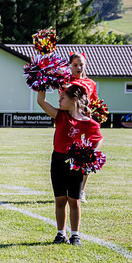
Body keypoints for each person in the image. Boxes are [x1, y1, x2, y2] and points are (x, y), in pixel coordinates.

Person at [35, 83, 102, 246]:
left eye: (62, 98)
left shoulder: (89, 122)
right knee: (60, 199)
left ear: (74, 100)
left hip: (76, 164)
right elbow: (41, 101)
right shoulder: (60, 116)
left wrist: (91, 153)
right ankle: (60, 233)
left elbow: (98, 138)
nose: (59, 101)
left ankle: (75, 235)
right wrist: (41, 82)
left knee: (74, 200)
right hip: (58, 160)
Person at [68, 52, 99, 203]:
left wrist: (93, 112)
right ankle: (69, 189)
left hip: (86, 123)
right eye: (75, 65)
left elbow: (95, 103)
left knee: (87, 156)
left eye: (81, 64)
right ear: (70, 66)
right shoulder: (65, 81)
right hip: (71, 123)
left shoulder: (91, 83)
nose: (79, 67)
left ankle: (81, 191)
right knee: (69, 155)